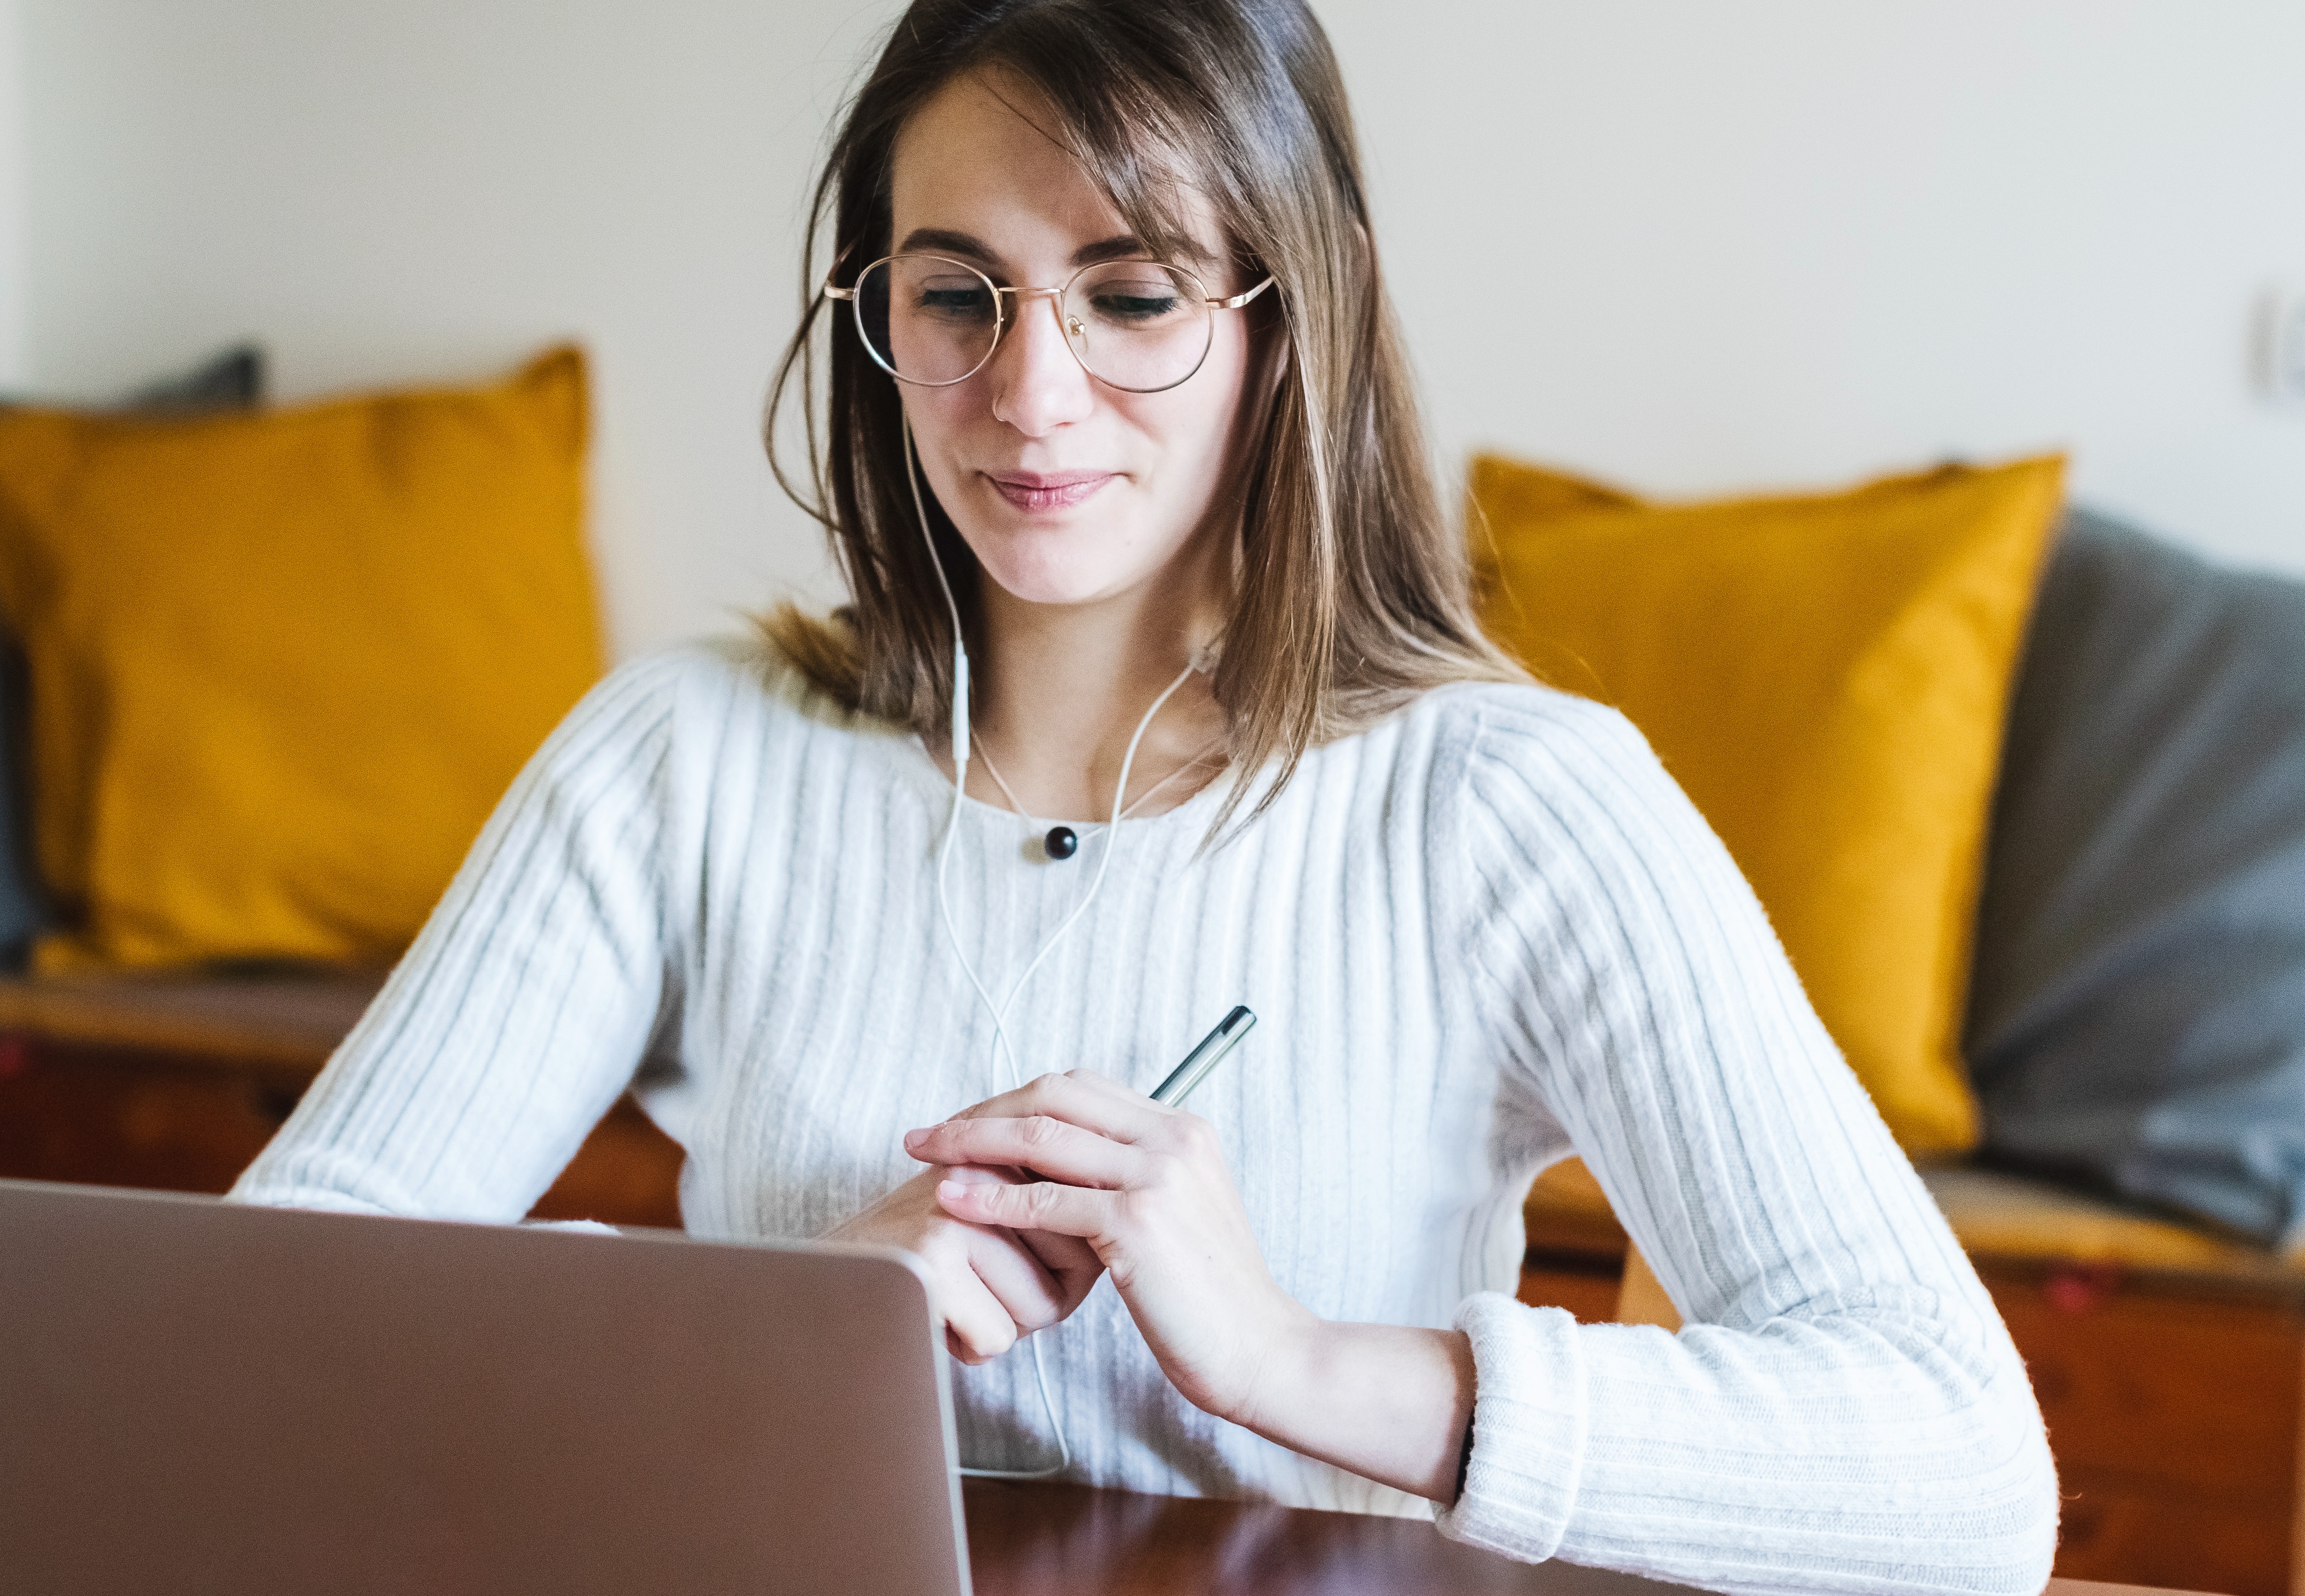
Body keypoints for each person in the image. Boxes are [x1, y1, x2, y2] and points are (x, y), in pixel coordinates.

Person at [233, 1, 2058, 1589]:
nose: (1030, 394)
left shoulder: (1516, 804)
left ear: (1290, 313)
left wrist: (1293, 1362)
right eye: (959, 294)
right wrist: (785, 1331)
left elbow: (1960, 1475)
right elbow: (257, 1338)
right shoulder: (677, 758)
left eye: (1132, 293)